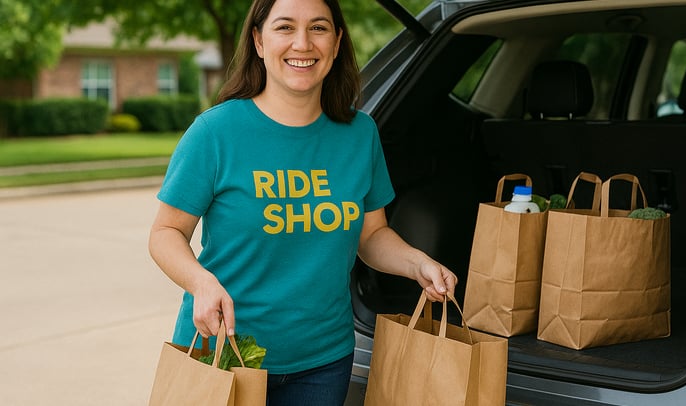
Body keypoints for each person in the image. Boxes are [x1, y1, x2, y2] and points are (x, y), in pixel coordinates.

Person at [147, 0, 458, 404]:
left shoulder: (359, 134)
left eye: (318, 28)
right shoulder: (215, 132)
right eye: (284, 27)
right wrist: (201, 282)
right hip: (224, 356)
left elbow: (372, 234)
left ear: (337, 41)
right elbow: (165, 233)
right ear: (258, 40)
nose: (302, 43)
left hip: (322, 363)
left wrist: (418, 263)